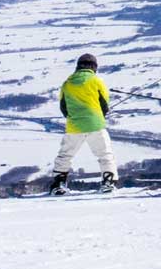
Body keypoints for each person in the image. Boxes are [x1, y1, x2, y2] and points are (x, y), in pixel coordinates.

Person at [50, 53, 119, 194]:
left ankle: (59, 185)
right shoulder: (96, 81)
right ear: (94, 67)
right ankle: (108, 183)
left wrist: (74, 118)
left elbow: (63, 107)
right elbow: (104, 104)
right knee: (105, 154)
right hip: (96, 125)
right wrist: (99, 116)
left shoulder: (67, 83)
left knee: (65, 155)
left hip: (74, 126)